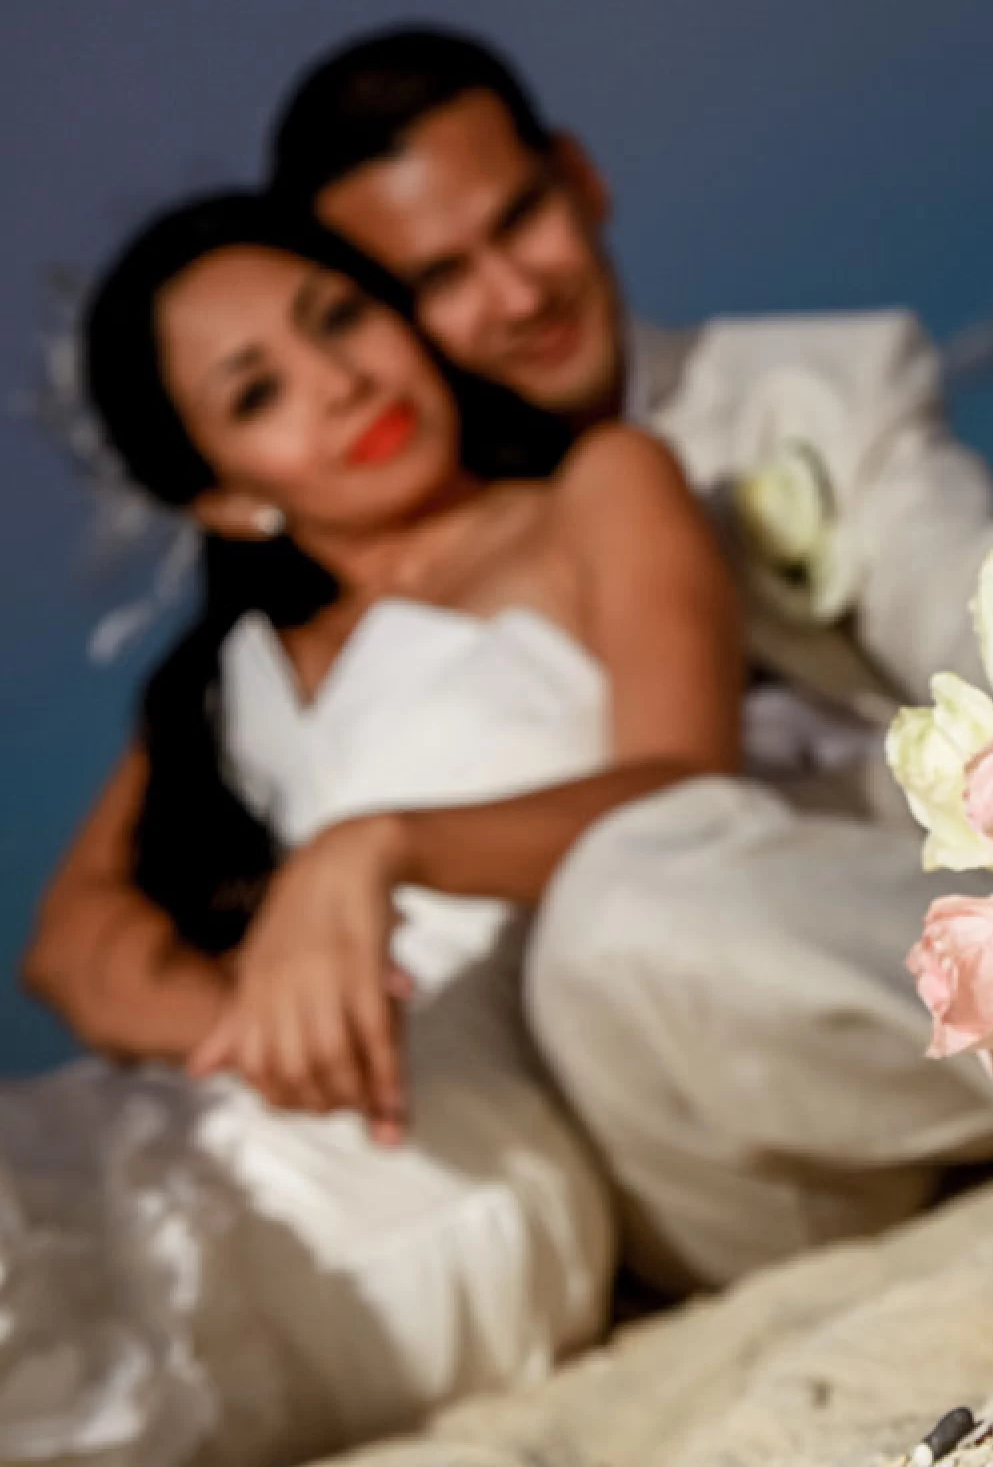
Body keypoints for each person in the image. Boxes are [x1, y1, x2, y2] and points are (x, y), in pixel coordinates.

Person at [257, 26, 993, 1291]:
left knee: (636, 899)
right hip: (692, 1150)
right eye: (440, 278)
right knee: (617, 920)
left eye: (523, 219)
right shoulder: (369, 600)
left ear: (581, 175)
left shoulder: (804, 388)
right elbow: (85, 936)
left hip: (906, 937)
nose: (515, 293)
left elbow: (965, 588)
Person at [9, 189, 736, 1465]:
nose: (341, 382)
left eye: (338, 316)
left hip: (440, 1147)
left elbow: (687, 785)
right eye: (259, 393)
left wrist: (379, 849)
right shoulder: (230, 672)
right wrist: (252, 1022)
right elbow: (69, 946)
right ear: (229, 502)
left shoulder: (592, 494)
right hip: (204, 1117)